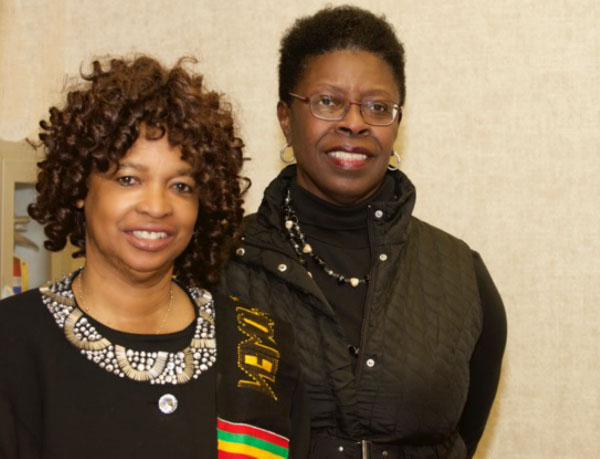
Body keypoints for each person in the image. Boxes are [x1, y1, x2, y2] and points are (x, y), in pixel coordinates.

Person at [221, 5, 507, 458]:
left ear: (397, 123)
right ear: (285, 117)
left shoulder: (461, 276)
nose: (354, 123)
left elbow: (460, 439)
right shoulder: (221, 263)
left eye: (377, 107)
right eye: (327, 101)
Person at [0, 56, 308, 458]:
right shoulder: (12, 341)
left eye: (181, 186)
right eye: (128, 179)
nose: (157, 206)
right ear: (79, 186)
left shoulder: (260, 344)